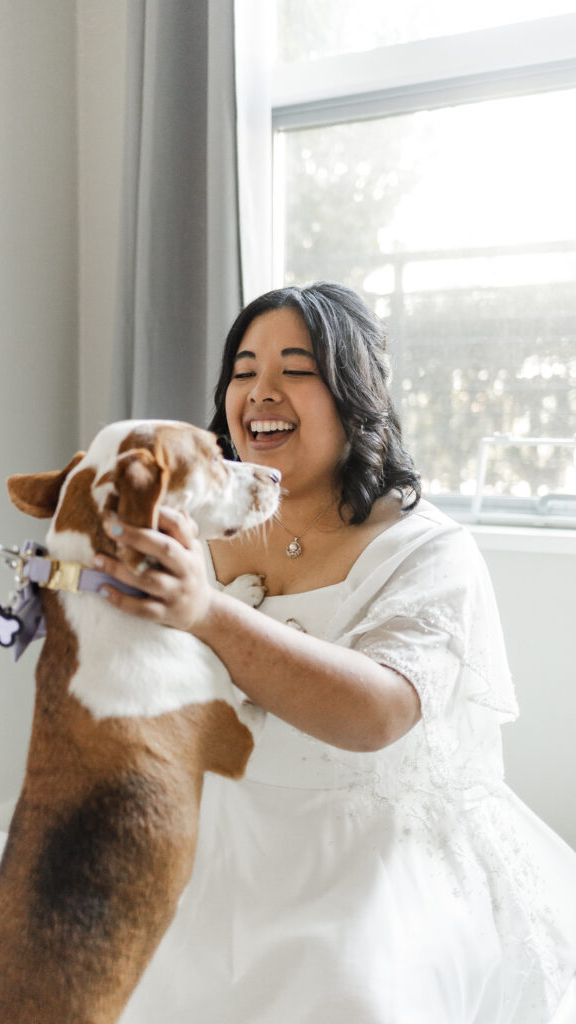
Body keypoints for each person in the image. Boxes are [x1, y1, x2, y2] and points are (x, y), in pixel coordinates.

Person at [91, 282, 576, 1023]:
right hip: (214, 825)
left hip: (367, 845)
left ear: (356, 394)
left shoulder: (429, 551)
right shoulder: (196, 528)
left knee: (344, 991)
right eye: (244, 370)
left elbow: (377, 712)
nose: (260, 392)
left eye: (297, 368)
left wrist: (205, 610)